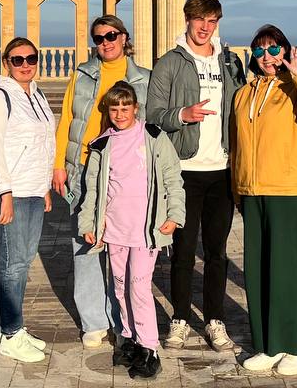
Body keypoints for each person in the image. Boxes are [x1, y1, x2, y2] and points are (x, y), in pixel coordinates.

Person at [146, 0, 246, 352]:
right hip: (184, 171)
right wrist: (182, 115)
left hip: (222, 170)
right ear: (188, 20)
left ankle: (215, 321)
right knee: (184, 251)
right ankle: (180, 319)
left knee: (217, 252)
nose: (205, 27)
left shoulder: (230, 61)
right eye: (200, 19)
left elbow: (243, 105)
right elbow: (153, 113)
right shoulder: (170, 63)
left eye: (212, 20)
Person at [231, 26, 297, 375]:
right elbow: (236, 145)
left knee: (286, 270)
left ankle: (296, 346)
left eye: (274, 49)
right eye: (260, 51)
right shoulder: (243, 94)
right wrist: (237, 189)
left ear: (285, 51)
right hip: (252, 191)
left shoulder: (294, 88)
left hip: (287, 190)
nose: (267, 57)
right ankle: (268, 344)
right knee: (257, 270)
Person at [52, 15, 149, 347]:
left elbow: (149, 128)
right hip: (83, 166)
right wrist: (59, 165)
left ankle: (123, 319)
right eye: (98, 38)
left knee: (122, 247)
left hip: (124, 173)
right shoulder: (82, 74)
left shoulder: (143, 78)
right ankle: (93, 320)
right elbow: (67, 119)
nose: (105, 42)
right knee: (86, 243)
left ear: (123, 37)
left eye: (110, 36)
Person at [79, 81, 185, 380]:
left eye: (126, 108)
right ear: (108, 111)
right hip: (115, 229)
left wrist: (175, 215)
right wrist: (88, 223)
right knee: (120, 286)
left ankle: (149, 347)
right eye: (115, 109)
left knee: (139, 287)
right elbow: (92, 190)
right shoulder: (102, 144)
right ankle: (128, 338)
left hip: (145, 229)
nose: (120, 114)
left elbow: (173, 178)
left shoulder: (153, 136)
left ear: (136, 108)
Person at [0, 37, 56, 363]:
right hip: (13, 192)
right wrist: (4, 192)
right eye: (18, 59)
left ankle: (14, 327)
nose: (25, 64)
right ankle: (10, 332)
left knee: (24, 262)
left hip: (34, 190)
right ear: (7, 63)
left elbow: (45, 142)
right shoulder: (1, 97)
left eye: (31, 58)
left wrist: (45, 187)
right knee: (12, 265)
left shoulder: (37, 94)